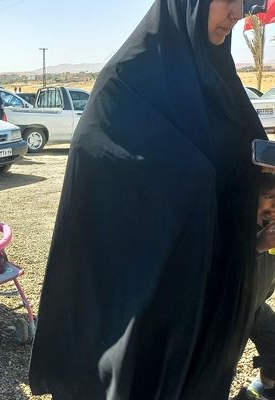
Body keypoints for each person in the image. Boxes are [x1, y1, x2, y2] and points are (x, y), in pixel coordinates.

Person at [28, 1, 267, 399]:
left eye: (242, 2)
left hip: (209, 282)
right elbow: (98, 157)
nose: (237, 13)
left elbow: (244, 152)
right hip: (145, 287)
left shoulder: (218, 79)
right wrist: (196, 181)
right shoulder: (127, 79)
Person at [237, 172, 275, 400]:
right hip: (230, 313)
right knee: (219, 368)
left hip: (256, 304)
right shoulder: (234, 226)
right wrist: (258, 246)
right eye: (269, 196)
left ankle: (264, 390)